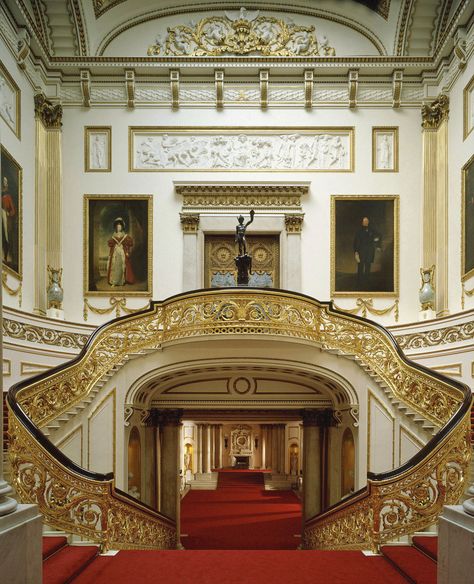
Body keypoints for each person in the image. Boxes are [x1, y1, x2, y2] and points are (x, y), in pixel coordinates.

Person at [353, 216, 381, 289]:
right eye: (364, 221)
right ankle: (359, 283)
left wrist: (377, 243)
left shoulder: (371, 229)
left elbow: (379, 235)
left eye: (367, 221)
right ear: (362, 222)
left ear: (368, 222)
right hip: (361, 252)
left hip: (369, 252)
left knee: (368, 267)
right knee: (360, 267)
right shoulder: (359, 231)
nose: (366, 222)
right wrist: (356, 252)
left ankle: (367, 282)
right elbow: (355, 242)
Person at [107, 217, 135, 286]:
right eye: (117, 227)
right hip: (115, 253)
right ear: (116, 228)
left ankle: (121, 281)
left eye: (120, 227)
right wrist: (115, 245)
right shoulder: (114, 235)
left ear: (122, 227)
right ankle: (114, 281)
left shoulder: (125, 235)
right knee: (115, 266)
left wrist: (125, 247)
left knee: (122, 266)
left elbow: (130, 243)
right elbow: (110, 243)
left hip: (122, 253)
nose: (119, 228)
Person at [2, 176, 16, 264]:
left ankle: (8, 256)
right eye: (3, 183)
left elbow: (13, 210)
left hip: (6, 219)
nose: (4, 185)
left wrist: (8, 213)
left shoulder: (8, 197)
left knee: (6, 237)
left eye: (5, 183)